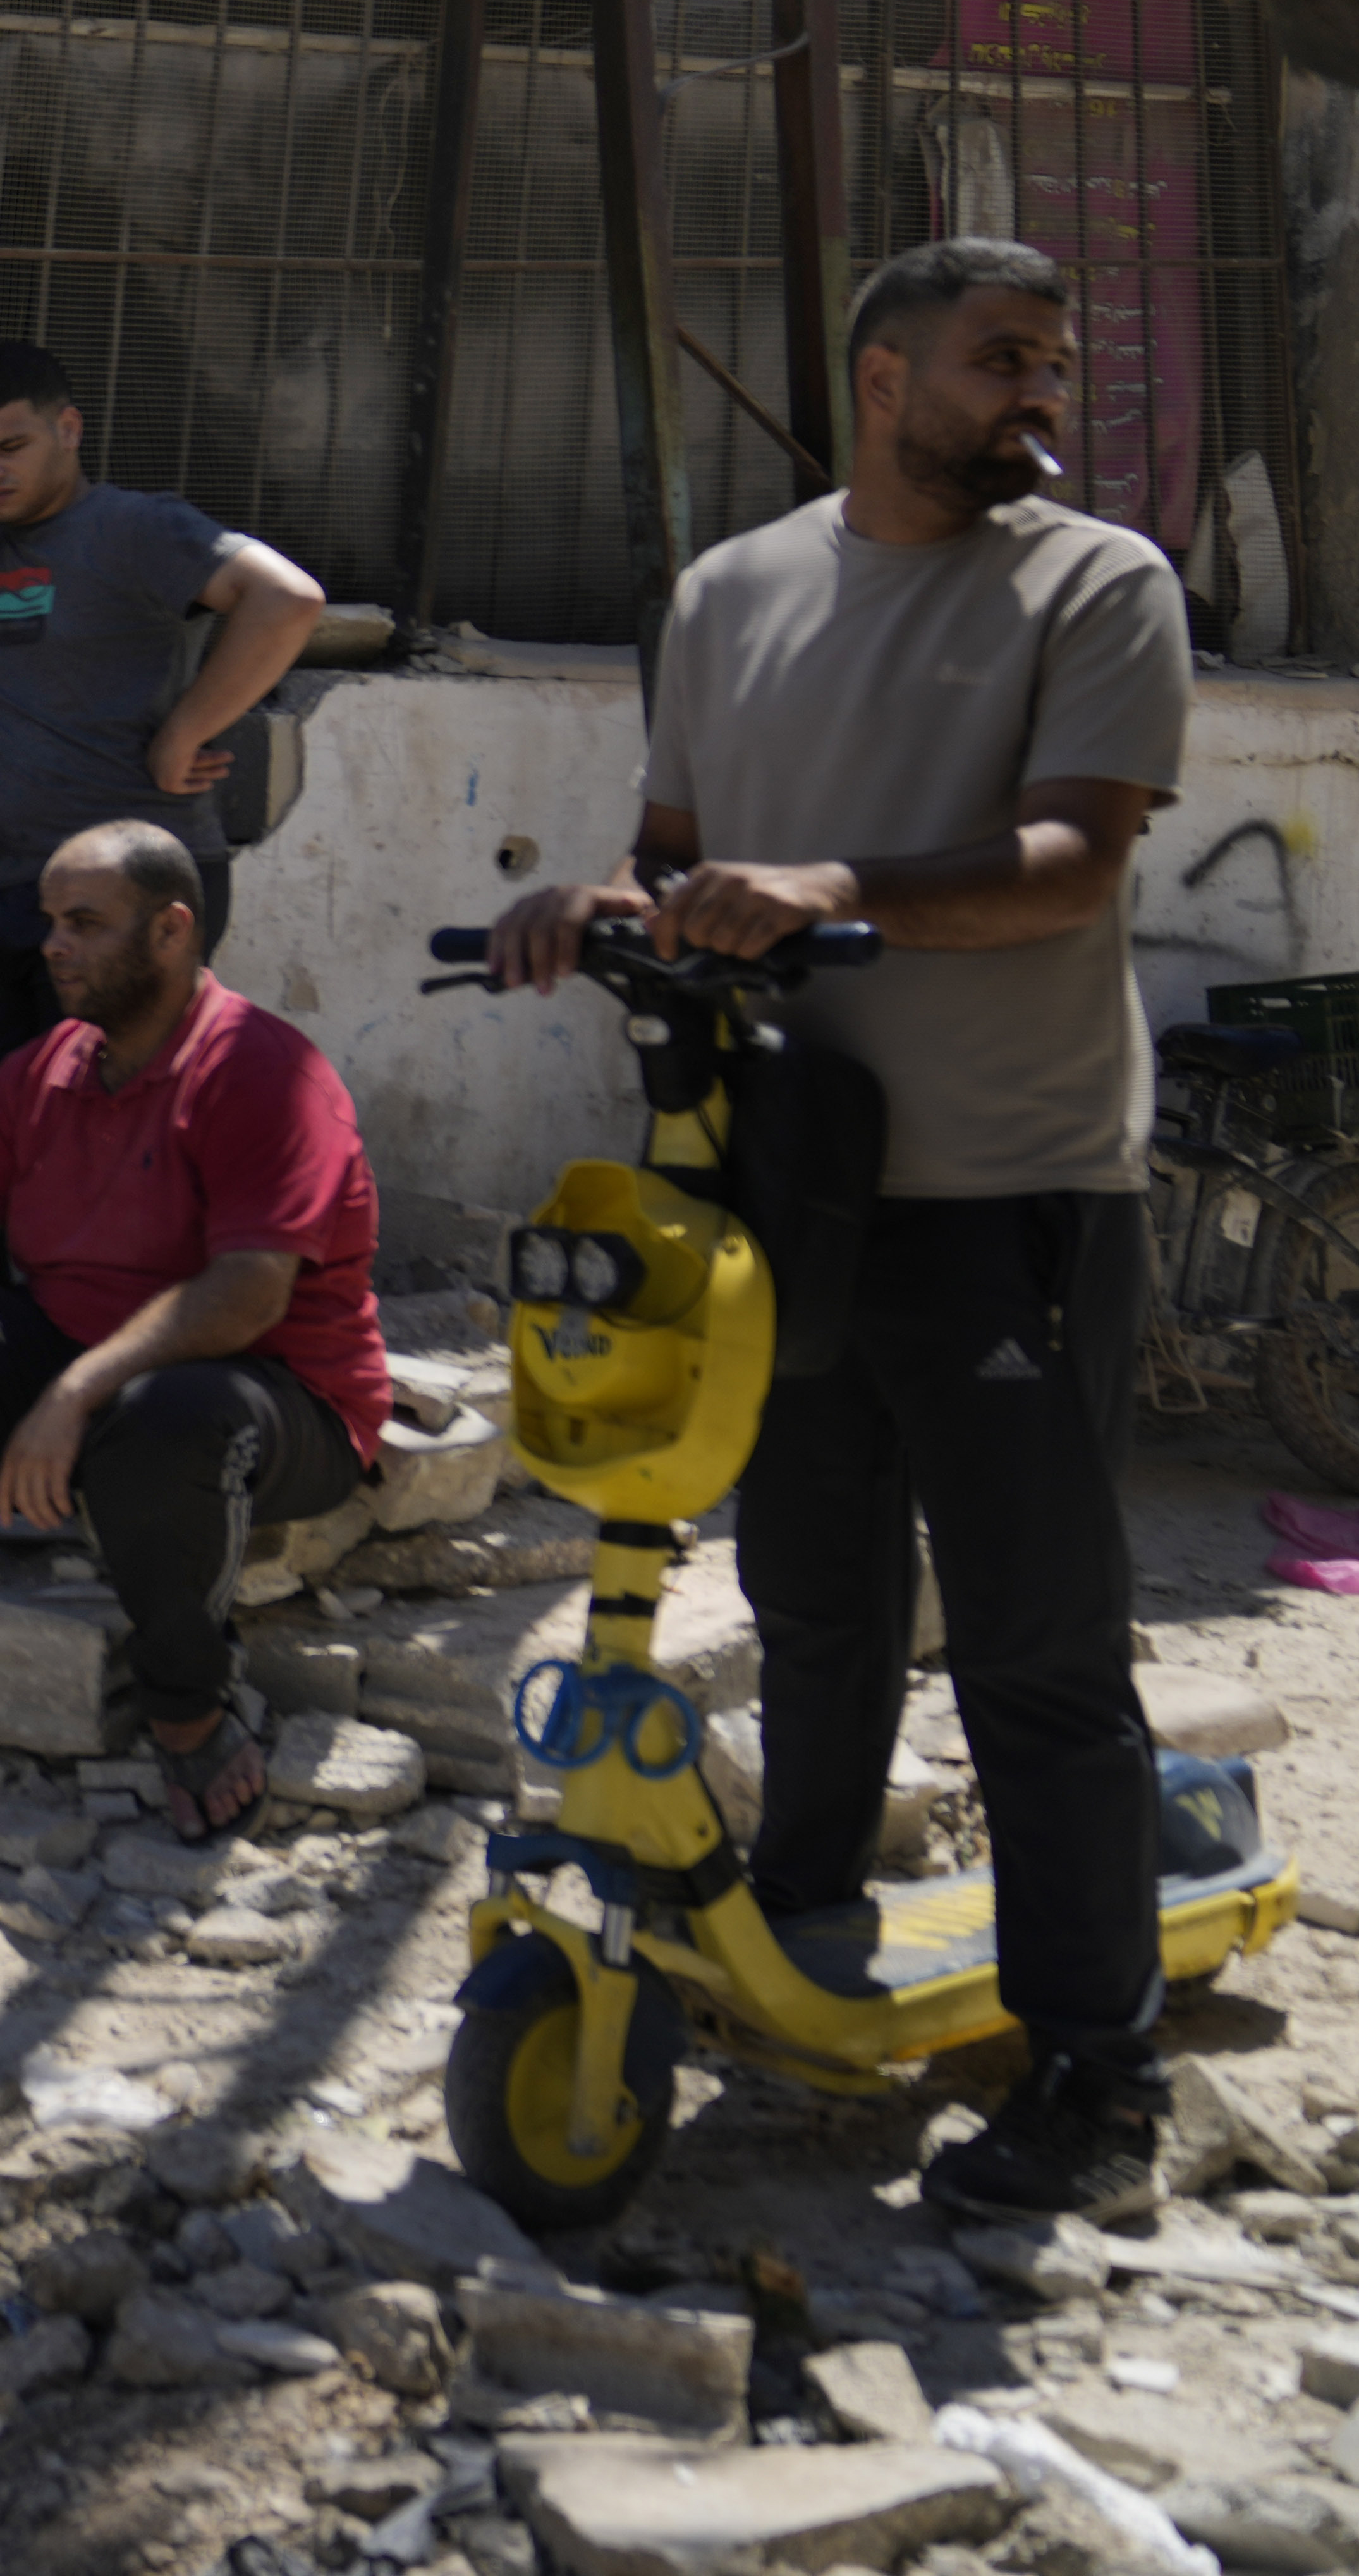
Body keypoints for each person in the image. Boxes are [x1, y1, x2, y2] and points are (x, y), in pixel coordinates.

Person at [485, 235, 1191, 2223]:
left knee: (1040, 1645)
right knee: (812, 1593)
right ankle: (796, 1904)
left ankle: (1094, 2067)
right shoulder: (731, 594)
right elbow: (680, 853)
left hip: (1013, 1185)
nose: (1036, 395)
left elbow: (1068, 865)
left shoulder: (1097, 583)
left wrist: (824, 881)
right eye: (1000, 361)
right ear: (884, 377)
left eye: (1055, 361)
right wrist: (592, 903)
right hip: (781, 1181)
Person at [0, 818, 386, 1843]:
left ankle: (187, 1711)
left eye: (85, 923)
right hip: (75, 1362)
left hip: (274, 1394)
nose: (53, 946)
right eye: (50, 923)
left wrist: (73, 1393)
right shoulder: (44, 1067)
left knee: (163, 1414)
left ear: (172, 931)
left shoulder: (265, 1070)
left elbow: (251, 1295)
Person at [0, 339, 331, 1198]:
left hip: (129, 898)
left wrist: (186, 729)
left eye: (10, 449)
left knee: (99, 1143)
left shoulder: (135, 528)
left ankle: (86, 1323)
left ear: (69, 431)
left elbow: (289, 598)